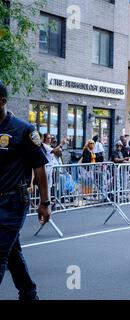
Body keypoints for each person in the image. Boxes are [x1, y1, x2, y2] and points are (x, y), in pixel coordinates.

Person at [0, 81, 51, 300]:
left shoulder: (24, 130)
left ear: (2, 101)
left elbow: (39, 167)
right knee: (12, 253)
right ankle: (29, 294)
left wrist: (45, 202)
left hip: (13, 202)